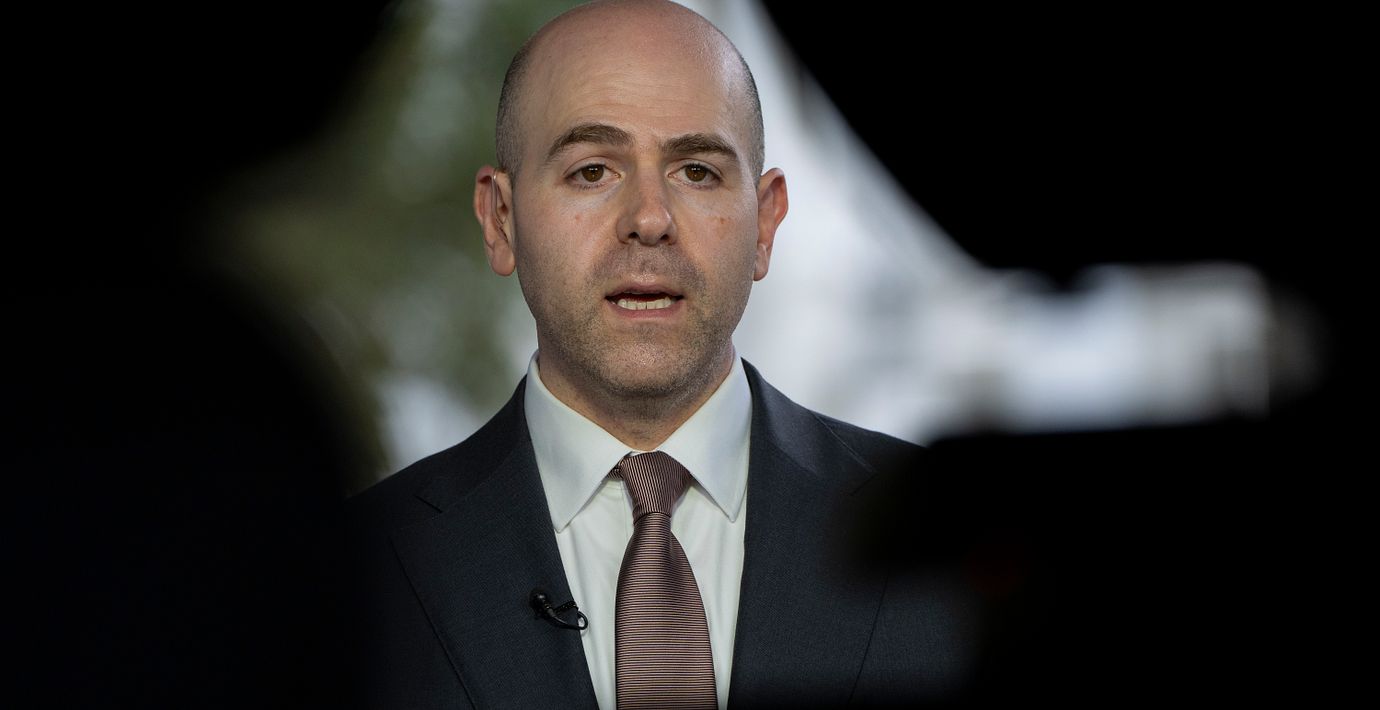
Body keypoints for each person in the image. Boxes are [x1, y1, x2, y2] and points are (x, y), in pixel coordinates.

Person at [347, 2, 976, 707]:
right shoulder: (350, 571)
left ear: (765, 223)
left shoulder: (957, 543)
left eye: (697, 171)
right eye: (592, 171)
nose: (649, 219)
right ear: (501, 219)